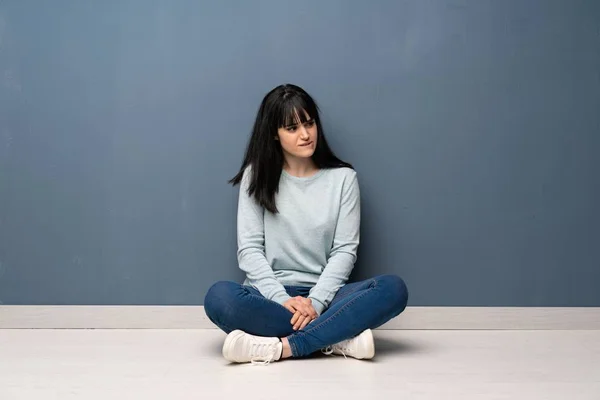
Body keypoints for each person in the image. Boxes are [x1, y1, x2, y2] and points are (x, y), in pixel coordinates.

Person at [204, 84, 408, 365]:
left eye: (309, 123)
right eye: (292, 128)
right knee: (219, 298)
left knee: (393, 289)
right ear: (274, 134)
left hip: (326, 296)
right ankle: (336, 339)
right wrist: (280, 297)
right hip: (267, 294)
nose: (305, 134)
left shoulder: (343, 179)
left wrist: (316, 302)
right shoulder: (256, 176)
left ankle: (286, 347)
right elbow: (249, 250)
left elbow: (345, 251)